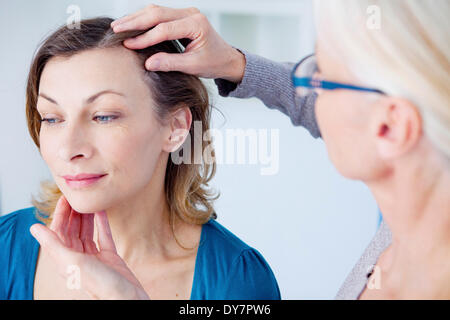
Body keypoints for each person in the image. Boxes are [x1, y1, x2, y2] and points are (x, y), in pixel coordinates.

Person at [109, 1, 450, 299]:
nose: (307, 93)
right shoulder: (401, 244)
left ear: (389, 128)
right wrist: (231, 62)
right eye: (52, 118)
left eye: (320, 75)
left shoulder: (235, 273)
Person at [0, 17, 281, 300]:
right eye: (51, 118)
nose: (68, 149)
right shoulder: (5, 248)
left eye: (104, 116)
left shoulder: (236, 283)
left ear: (175, 128)